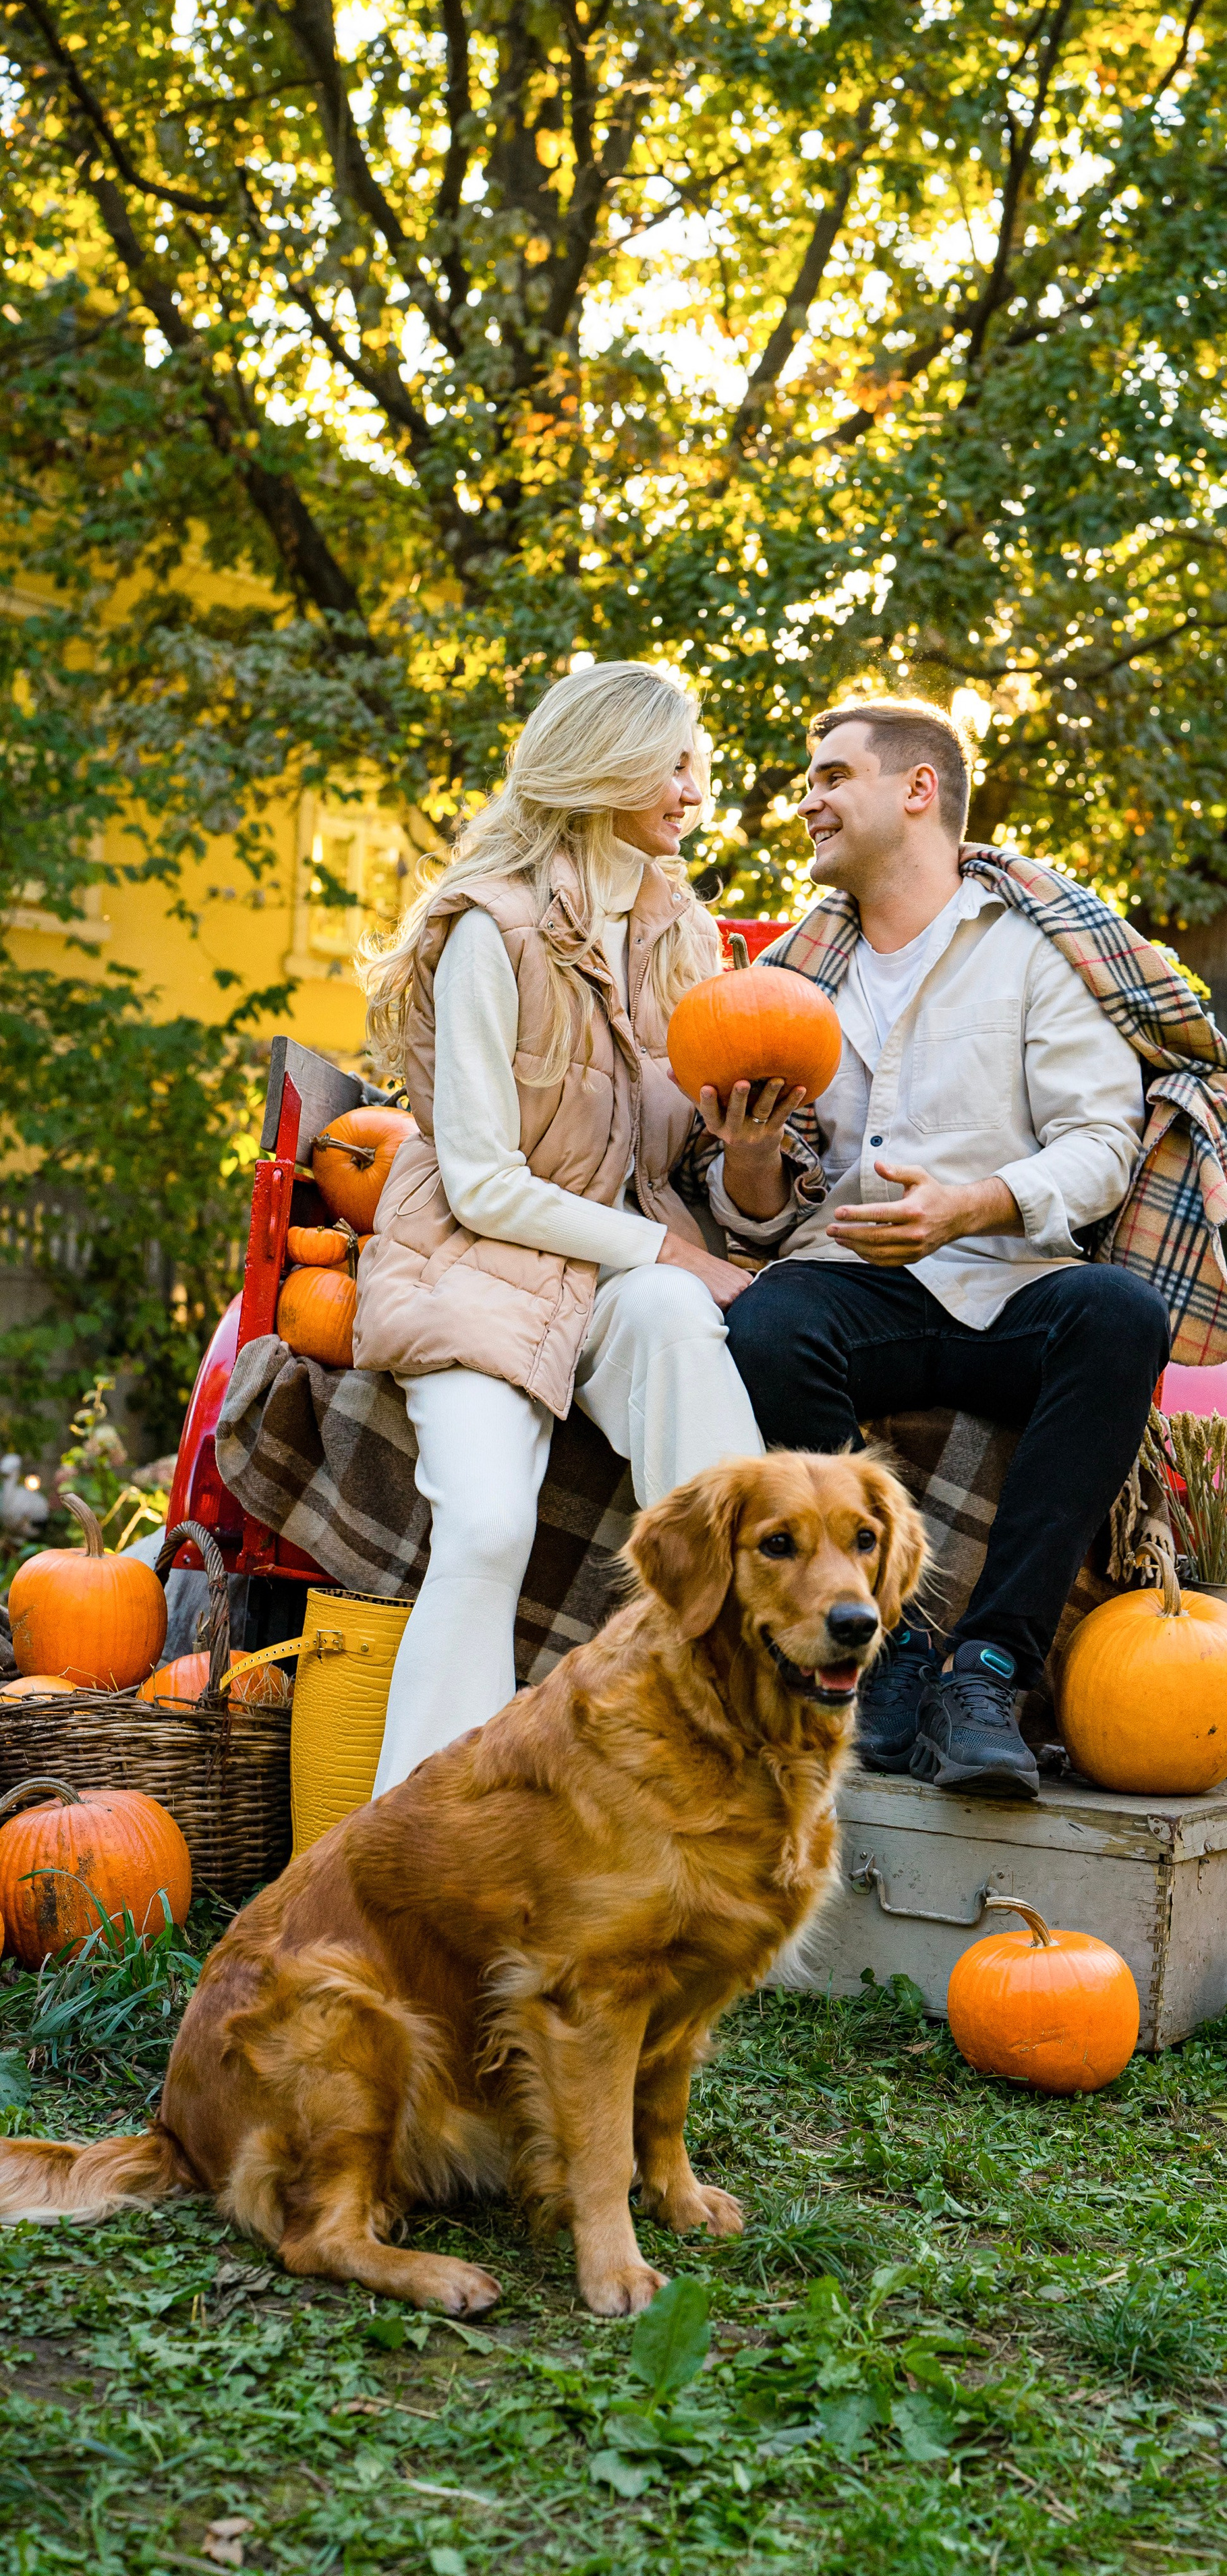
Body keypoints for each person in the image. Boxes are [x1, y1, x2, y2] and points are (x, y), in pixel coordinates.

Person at [712, 698, 1227, 1802]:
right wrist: (753, 1157)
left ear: (918, 791)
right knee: (764, 1323)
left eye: (829, 775)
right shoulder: (798, 978)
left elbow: (1103, 1143)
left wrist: (977, 1205)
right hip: (858, 1288)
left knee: (1118, 1318)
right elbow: (759, 1212)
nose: (805, 799)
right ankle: (895, 1652)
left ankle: (989, 1669)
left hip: (1009, 1285)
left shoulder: (1038, 952)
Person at [353, 660, 794, 1793]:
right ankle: (411, 1844)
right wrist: (675, 1250)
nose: (698, 789)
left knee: (671, 1318)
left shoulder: (681, 933)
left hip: (607, 1268)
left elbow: (685, 1165)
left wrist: (744, 1154)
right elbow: (482, 1184)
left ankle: (760, 1658)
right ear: (606, 763)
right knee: (490, 1528)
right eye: (678, 762)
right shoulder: (488, 934)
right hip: (477, 1269)